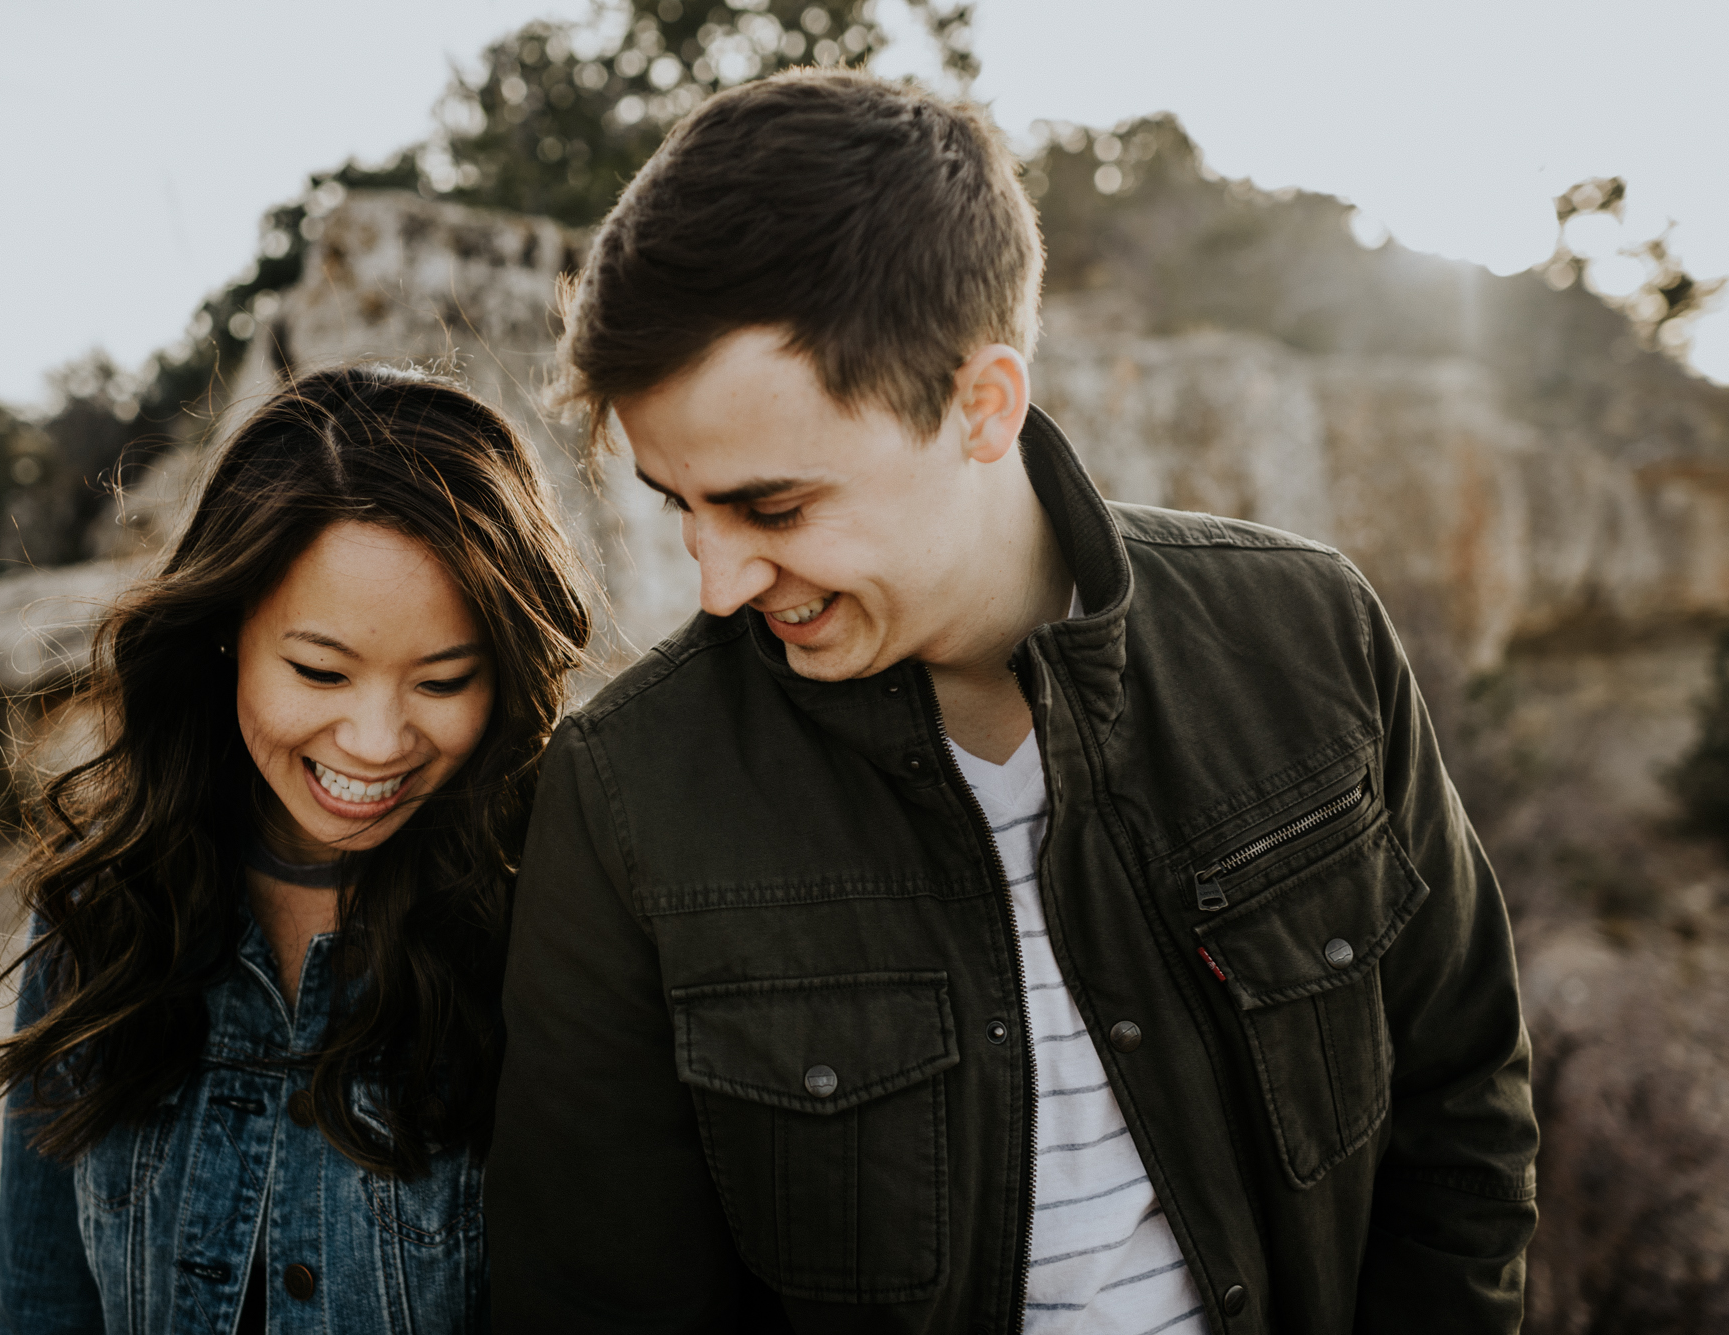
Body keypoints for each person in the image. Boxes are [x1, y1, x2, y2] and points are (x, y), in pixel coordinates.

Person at [486, 70, 1538, 1333]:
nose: (716, 584)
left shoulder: (1307, 637)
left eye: (773, 508)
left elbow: (1461, 1111)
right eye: (680, 505)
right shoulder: (624, 799)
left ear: (980, 405)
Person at [0, 366, 591, 1335]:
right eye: (319, 669)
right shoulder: (102, 912)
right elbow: (45, 1302)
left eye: (442, 681)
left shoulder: (559, 921)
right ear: (225, 636)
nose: (377, 741)